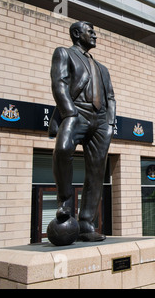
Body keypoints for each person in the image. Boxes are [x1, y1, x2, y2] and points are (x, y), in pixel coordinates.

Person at [49, 21, 116, 242]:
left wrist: (110, 123)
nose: (95, 35)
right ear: (77, 34)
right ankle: (65, 203)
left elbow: (111, 98)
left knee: (97, 171)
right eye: (91, 31)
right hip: (77, 113)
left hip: (101, 121)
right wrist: (69, 113)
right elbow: (59, 84)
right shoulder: (64, 54)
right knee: (63, 149)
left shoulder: (103, 69)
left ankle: (87, 222)